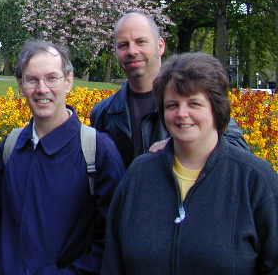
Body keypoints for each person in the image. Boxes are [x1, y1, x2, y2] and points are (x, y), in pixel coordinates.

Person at [102, 52, 278, 274]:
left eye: (194, 103)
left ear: (216, 108)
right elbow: (113, 261)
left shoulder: (254, 179)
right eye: (172, 105)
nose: (182, 114)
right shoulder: (139, 175)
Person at [0, 41, 125, 275]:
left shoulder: (98, 151)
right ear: (21, 84)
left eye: (52, 78)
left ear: (68, 80)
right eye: (32, 80)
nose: (42, 89)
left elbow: (111, 238)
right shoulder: (11, 147)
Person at [91, 11, 247, 167]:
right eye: (123, 45)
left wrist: (179, 146)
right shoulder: (104, 112)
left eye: (141, 42)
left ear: (160, 46)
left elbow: (238, 149)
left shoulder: (195, 99)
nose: (132, 51)